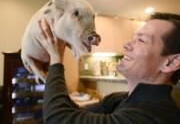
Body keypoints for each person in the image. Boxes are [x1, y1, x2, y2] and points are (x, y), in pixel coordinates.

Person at [36, 12, 180, 124]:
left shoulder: (155, 116)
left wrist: (56, 59)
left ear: (171, 63)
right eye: (133, 37)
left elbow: (58, 119)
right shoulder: (118, 99)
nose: (126, 44)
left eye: (141, 40)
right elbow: (69, 112)